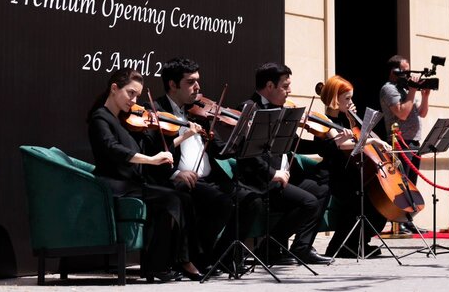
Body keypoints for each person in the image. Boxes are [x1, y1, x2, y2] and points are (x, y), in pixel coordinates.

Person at [86, 68, 202, 282]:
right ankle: (161, 265)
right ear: (114, 88)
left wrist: (181, 138)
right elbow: (113, 150)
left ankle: (173, 261)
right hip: (116, 185)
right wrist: (150, 160)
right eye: (131, 93)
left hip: (132, 183)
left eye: (138, 95)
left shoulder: (122, 119)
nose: (135, 100)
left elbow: (147, 152)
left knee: (182, 197)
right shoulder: (100, 118)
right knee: (171, 198)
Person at [143, 58, 236, 274]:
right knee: (221, 202)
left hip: (209, 178)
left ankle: (219, 257)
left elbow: (221, 150)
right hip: (177, 179)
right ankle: (198, 258)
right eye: (191, 82)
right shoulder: (155, 110)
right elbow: (151, 151)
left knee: (246, 198)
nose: (198, 87)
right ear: (173, 85)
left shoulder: (198, 112)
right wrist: (176, 173)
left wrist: (241, 136)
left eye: (198, 81)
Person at [236, 62, 332, 265]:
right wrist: (273, 173)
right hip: (261, 179)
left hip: (284, 175)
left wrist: (328, 144)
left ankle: (301, 247)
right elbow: (248, 155)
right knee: (308, 201)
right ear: (269, 86)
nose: (290, 91)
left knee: (321, 188)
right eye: (285, 86)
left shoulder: (282, 109)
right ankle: (270, 247)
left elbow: (291, 145)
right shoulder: (248, 108)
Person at [318, 76, 388, 258]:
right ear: (335, 98)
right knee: (364, 201)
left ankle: (358, 243)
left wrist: (351, 120)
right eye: (347, 98)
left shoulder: (343, 120)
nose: (351, 102)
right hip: (335, 175)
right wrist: (369, 140)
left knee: (376, 203)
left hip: (349, 174)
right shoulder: (325, 120)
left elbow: (353, 139)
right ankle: (339, 247)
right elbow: (341, 145)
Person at [379, 55, 430, 234]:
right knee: (400, 186)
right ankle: (397, 222)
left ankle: (408, 221)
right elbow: (402, 113)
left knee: (411, 186)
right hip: (399, 144)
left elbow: (422, 113)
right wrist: (413, 91)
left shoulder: (406, 89)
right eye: (405, 71)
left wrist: (424, 96)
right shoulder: (389, 89)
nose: (409, 74)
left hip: (414, 143)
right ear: (394, 72)